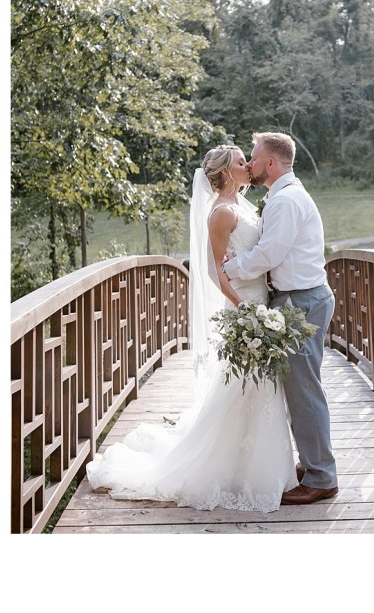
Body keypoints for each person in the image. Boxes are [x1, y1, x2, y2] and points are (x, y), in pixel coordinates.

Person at [86, 145, 298, 511]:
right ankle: (239, 472)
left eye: (247, 160)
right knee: (247, 389)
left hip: (261, 301)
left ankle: (265, 471)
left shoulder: (244, 205)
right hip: (246, 308)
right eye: (240, 162)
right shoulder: (221, 212)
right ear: (225, 173)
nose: (248, 165)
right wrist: (246, 311)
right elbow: (214, 271)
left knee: (260, 390)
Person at [221, 131, 338, 505]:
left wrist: (231, 268)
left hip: (302, 302)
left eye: (253, 158)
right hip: (295, 300)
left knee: (305, 393)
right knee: (298, 389)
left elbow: (269, 254)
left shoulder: (286, 200)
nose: (250, 164)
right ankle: (313, 462)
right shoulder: (283, 196)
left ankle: (322, 476)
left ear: (271, 163)